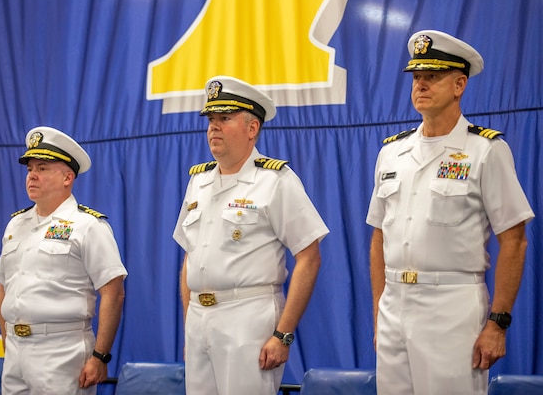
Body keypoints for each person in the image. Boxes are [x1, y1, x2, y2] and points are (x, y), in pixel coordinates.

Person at [366, 30, 535, 394]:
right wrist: (380, 310)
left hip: (452, 308)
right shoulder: (391, 154)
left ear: (459, 85)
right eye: (417, 78)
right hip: (394, 306)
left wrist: (498, 323)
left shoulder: (485, 150)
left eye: (433, 77)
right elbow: (379, 235)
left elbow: (515, 240)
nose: (421, 85)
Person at [173, 76, 329, 395]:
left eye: (225, 118)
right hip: (200, 321)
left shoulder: (275, 181)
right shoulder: (198, 182)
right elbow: (191, 256)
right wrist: (191, 322)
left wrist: (283, 334)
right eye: (211, 120)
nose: (213, 127)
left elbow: (309, 257)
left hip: (247, 318)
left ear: (252, 128)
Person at [0, 126, 128, 394]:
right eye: (30, 169)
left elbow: (113, 292)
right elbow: (3, 287)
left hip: (61, 350)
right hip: (16, 352)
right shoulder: (15, 225)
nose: (32, 175)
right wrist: (8, 342)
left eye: (42, 168)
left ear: (68, 177)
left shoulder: (87, 225)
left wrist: (100, 356)